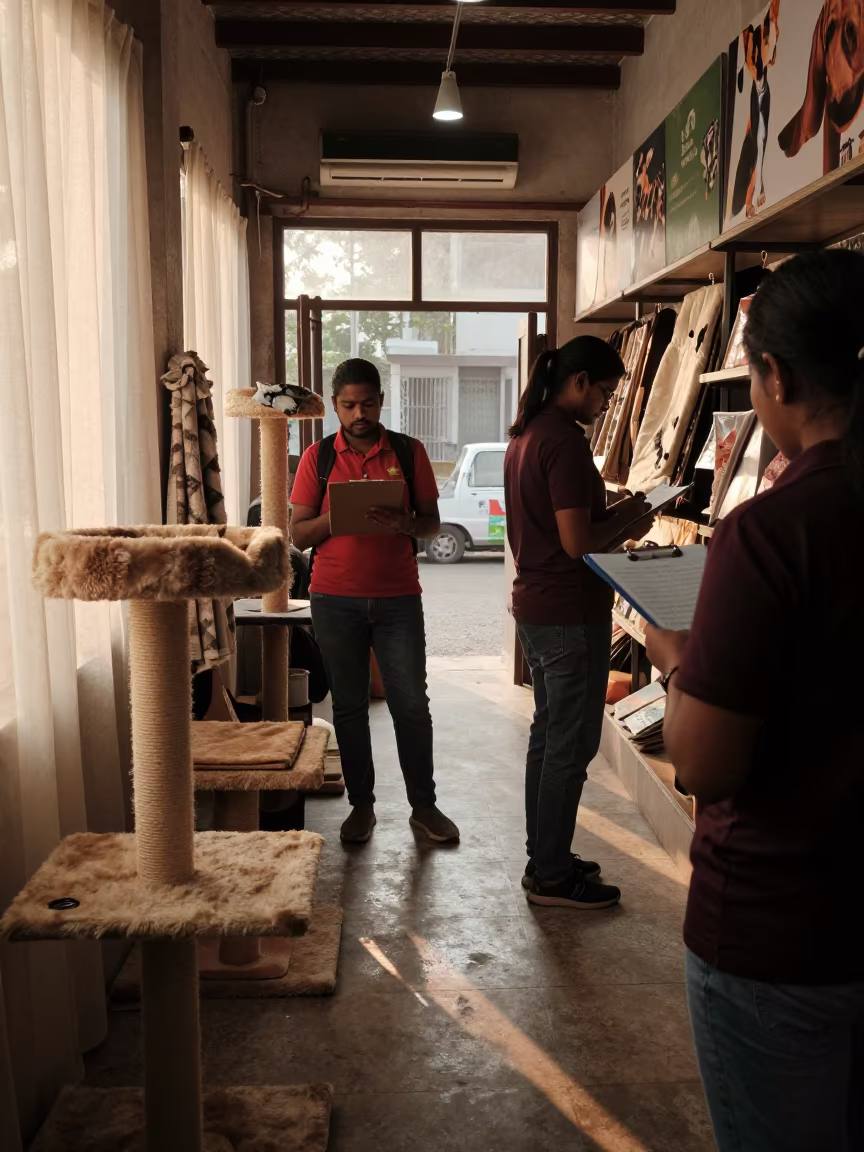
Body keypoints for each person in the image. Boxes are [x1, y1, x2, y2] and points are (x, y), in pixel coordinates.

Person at [644, 249, 864, 1152]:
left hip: (783, 930)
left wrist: (677, 664)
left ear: (771, 374)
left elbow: (703, 760)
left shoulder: (771, 531)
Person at [505, 336, 653, 910]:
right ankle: (550, 874)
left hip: (538, 606)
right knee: (570, 744)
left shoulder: (527, 433)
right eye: (607, 394)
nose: (606, 406)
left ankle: (547, 857)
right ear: (581, 381)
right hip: (568, 611)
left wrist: (622, 512)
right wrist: (635, 513)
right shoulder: (564, 442)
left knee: (549, 739)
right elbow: (576, 543)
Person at [290, 358, 459, 845]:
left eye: (366, 403)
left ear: (381, 401)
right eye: (347, 405)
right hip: (333, 598)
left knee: (410, 704)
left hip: (398, 598)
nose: (358, 413)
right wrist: (338, 516)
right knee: (348, 706)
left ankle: (424, 808)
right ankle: (361, 807)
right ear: (336, 405)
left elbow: (431, 523)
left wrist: (402, 521)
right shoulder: (317, 458)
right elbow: (297, 534)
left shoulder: (408, 452)